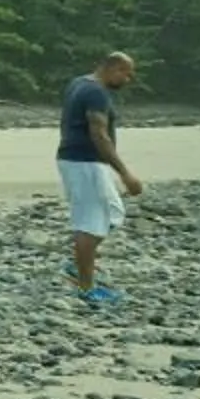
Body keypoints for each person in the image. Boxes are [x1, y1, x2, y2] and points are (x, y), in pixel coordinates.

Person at [58, 51, 142, 304]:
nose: (127, 79)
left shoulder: (79, 83)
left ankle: (78, 264)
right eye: (125, 74)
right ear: (112, 68)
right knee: (91, 224)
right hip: (85, 163)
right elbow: (99, 134)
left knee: (113, 212)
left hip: (77, 160)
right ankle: (86, 288)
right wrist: (125, 174)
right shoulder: (96, 93)